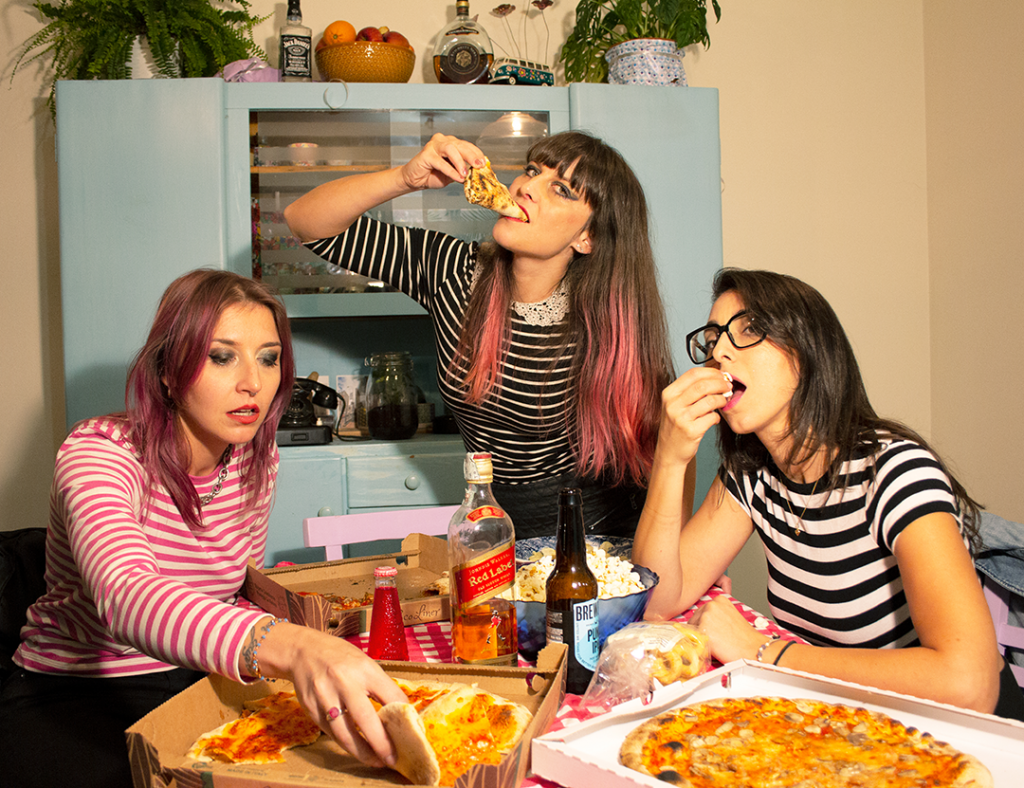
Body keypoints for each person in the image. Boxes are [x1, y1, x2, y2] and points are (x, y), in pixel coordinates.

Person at [0, 270, 407, 788]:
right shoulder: (98, 453)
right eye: (221, 356)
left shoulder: (256, 458)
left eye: (268, 357)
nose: (252, 383)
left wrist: (301, 626)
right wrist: (294, 646)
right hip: (73, 693)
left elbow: (229, 588)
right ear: (169, 371)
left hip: (198, 679)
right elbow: (126, 597)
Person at [633, 267, 1024, 721]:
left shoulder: (895, 473)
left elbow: (968, 683)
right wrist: (670, 457)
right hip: (851, 722)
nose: (718, 351)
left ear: (807, 351)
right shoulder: (752, 475)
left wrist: (761, 650)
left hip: (964, 734)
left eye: (749, 330)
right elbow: (656, 600)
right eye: (714, 337)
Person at [284, 131, 676, 539]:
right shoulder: (453, 272)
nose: (525, 188)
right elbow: (307, 223)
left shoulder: (604, 322)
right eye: (531, 171)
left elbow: (667, 449)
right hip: (490, 520)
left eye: (559, 189)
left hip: (594, 532)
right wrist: (405, 177)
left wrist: (675, 557)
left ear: (587, 237)